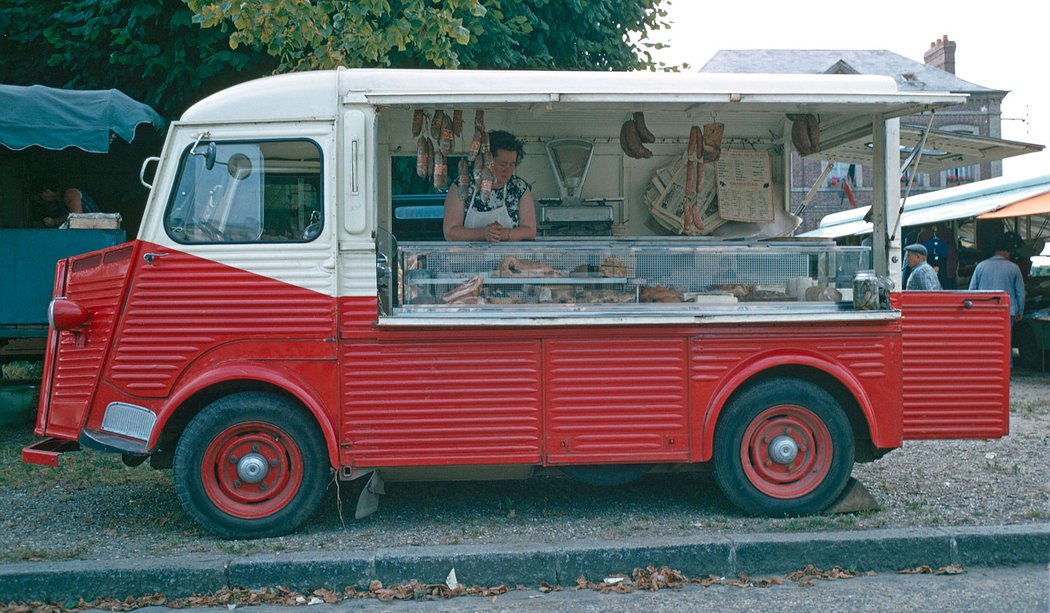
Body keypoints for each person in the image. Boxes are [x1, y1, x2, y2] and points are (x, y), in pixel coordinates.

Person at [443, 130, 537, 243]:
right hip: (468, 258)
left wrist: (504, 234)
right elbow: (450, 232)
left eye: (512, 165)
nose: (507, 170)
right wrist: (483, 233)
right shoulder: (462, 185)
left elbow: (530, 231)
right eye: (502, 164)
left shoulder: (519, 188)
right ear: (487, 161)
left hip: (510, 258)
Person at [969, 237, 1025, 324]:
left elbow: (971, 291)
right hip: (1007, 310)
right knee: (1004, 336)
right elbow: (1020, 292)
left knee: (986, 336)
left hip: (984, 310)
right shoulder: (1014, 267)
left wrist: (973, 310)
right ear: (1007, 252)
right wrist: (1020, 312)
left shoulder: (981, 266)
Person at [35, 180, 100, 227]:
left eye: (41, 195)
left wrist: (54, 222)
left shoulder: (70, 193)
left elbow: (76, 216)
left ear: (47, 191)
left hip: (94, 227)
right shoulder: (59, 202)